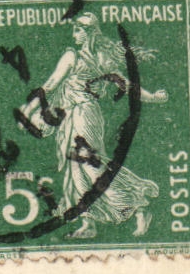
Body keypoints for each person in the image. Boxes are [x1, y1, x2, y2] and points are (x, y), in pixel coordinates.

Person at [20, 12, 166, 238]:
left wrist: (27, 110)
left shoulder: (74, 56)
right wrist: (153, 97)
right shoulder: (99, 59)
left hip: (82, 115)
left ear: (89, 33)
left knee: (88, 166)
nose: (74, 35)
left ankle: (138, 205)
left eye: (78, 30)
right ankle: (88, 223)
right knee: (75, 170)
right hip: (76, 115)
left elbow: (50, 85)